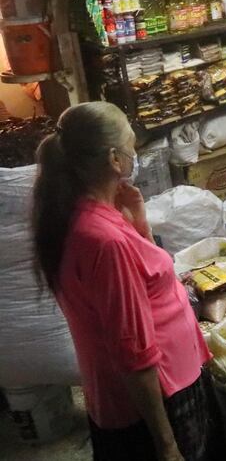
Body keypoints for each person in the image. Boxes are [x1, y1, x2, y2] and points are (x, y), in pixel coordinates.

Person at [32, 102, 214, 461]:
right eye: (132, 145)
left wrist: (138, 222)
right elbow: (134, 353)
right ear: (115, 160)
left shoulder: (80, 214)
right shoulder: (103, 240)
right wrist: (166, 444)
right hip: (156, 399)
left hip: (141, 388)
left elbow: (140, 277)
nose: (136, 153)